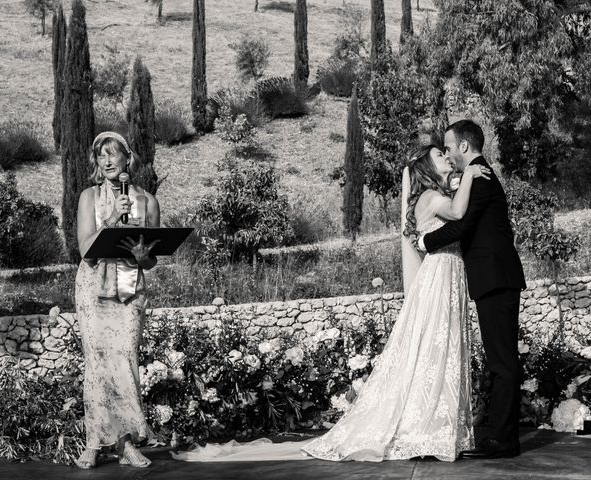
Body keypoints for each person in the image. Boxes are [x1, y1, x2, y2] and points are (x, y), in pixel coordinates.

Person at [172, 145, 491, 463]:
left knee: (439, 351)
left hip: (443, 278)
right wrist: (471, 175)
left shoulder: (432, 196)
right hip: (437, 279)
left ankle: (431, 425)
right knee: (435, 350)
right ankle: (425, 428)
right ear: (426, 169)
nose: (446, 158)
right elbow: (460, 213)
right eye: (439, 156)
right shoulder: (432, 199)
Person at [419, 120, 526, 459]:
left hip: (496, 277)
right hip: (493, 278)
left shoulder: (478, 175)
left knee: (502, 362)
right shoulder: (475, 175)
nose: (448, 155)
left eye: (449, 148)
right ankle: (499, 435)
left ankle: (503, 440)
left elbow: (462, 226)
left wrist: (424, 240)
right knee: (500, 359)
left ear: (464, 146)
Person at [74, 131, 161, 469]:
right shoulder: (88, 198)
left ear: (127, 158)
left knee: (124, 360)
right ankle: (94, 442)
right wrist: (111, 221)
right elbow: (85, 250)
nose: (107, 161)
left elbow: (151, 258)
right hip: (93, 286)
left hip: (128, 284)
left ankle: (125, 445)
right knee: (97, 364)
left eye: (113, 154)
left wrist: (142, 256)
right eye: (101, 156)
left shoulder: (147, 201)